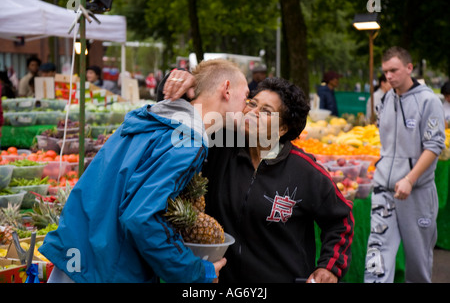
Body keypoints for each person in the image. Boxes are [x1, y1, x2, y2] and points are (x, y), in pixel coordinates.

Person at [39, 59, 249, 283]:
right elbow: (141, 218)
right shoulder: (187, 140)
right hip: (107, 270)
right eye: (246, 96)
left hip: (79, 259)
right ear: (226, 89)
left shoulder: (149, 118)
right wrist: (195, 271)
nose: (247, 106)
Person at [163, 73, 354, 283]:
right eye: (252, 103)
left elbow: (341, 219)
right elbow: (183, 118)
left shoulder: (305, 171)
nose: (252, 112)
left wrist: (330, 268)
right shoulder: (219, 147)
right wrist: (187, 81)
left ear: (283, 128)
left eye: (266, 111)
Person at [364, 46, 446, 283]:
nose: (388, 76)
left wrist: (409, 179)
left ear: (409, 68)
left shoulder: (429, 101)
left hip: (416, 193)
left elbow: (434, 146)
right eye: (385, 71)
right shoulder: (386, 99)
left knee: (418, 263)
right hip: (384, 192)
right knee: (377, 258)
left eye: (394, 70)